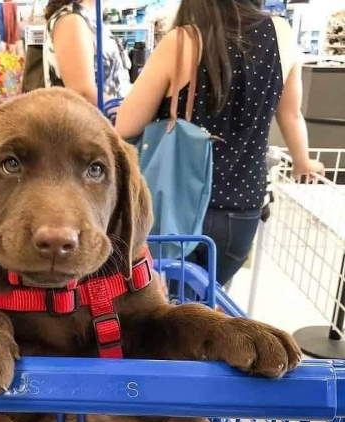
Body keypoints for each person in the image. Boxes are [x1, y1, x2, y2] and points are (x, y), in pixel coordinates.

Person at [116, 0, 324, 286]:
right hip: (241, 213)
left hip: (174, 207)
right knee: (210, 298)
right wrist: (303, 161)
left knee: (167, 305)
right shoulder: (281, 33)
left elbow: (126, 126)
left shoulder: (182, 41)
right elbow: (290, 114)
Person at [43, 0, 130, 105]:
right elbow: (83, 94)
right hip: (93, 119)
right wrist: (131, 112)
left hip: (109, 118)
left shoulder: (89, 17)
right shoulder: (72, 20)